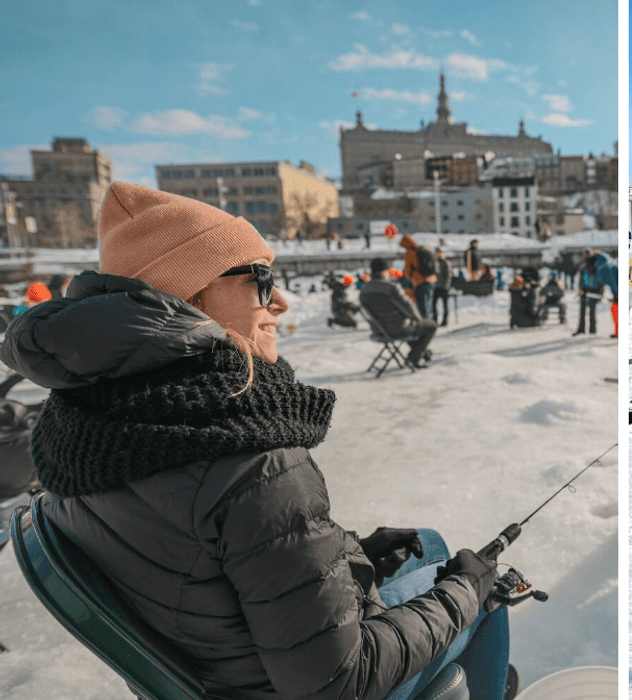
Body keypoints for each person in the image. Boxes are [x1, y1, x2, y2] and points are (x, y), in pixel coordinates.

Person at [0, 182, 511, 699]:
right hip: (292, 684)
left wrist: (350, 556)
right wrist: (465, 593)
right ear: (192, 292)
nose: (283, 303)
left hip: (223, 661)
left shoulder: (82, 423)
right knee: (483, 587)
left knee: (432, 545)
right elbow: (340, 682)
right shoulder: (245, 454)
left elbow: (206, 558)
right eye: (262, 280)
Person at [360, 257, 438, 369]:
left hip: (379, 330)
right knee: (430, 325)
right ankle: (413, 358)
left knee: (410, 327)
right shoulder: (391, 287)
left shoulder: (364, 290)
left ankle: (422, 353)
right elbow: (409, 308)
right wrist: (417, 320)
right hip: (397, 328)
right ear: (384, 271)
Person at [399, 234, 437, 319]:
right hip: (431, 280)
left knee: (422, 308)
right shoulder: (424, 249)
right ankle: (430, 325)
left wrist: (406, 278)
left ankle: (426, 329)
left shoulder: (410, 252)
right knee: (429, 306)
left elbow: (408, 271)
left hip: (420, 282)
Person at [573, 256, 603, 336]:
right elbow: (581, 280)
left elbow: (601, 284)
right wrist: (580, 289)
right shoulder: (584, 270)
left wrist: (600, 295)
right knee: (583, 312)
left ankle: (592, 331)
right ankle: (582, 330)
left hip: (594, 292)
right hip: (585, 291)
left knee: (591, 313)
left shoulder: (598, 270)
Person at [433, 248, 452, 327]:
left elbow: (448, 275)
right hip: (436, 286)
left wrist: (445, 286)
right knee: (433, 304)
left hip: (443, 287)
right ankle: (434, 320)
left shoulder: (445, 262)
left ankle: (445, 320)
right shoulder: (435, 262)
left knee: (445, 305)